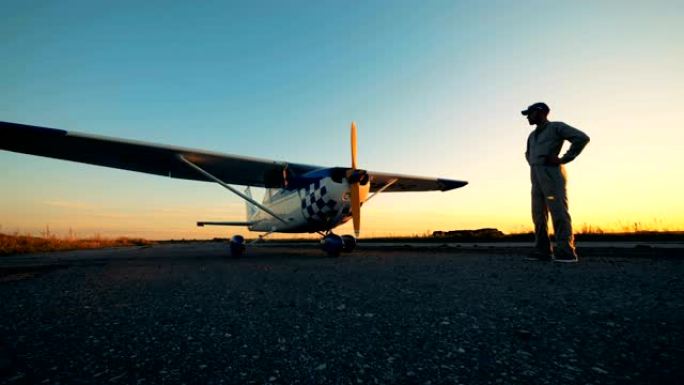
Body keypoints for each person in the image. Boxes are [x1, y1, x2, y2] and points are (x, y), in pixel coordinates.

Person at [522, 102, 590, 263]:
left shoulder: (556, 127)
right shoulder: (532, 136)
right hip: (536, 176)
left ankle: (566, 251)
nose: (527, 118)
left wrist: (563, 159)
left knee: (558, 211)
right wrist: (534, 163)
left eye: (530, 113)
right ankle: (542, 251)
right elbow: (527, 153)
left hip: (551, 174)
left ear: (540, 112)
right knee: (538, 214)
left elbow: (581, 138)